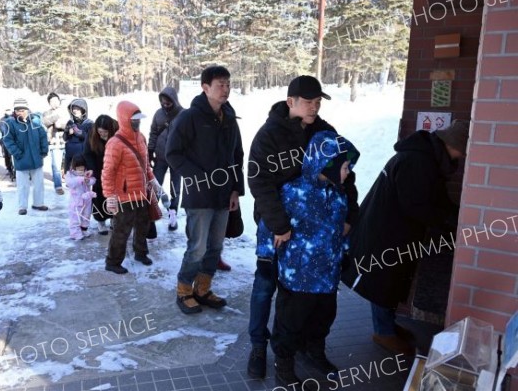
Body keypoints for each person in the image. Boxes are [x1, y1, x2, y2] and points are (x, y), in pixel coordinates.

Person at [246, 75, 359, 379]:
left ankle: (311, 349)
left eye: (318, 101)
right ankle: (259, 347)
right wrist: (279, 226)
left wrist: (350, 217)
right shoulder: (270, 135)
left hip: (320, 234)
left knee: (314, 301)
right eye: (308, 101)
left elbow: (347, 177)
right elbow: (260, 182)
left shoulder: (324, 131)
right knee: (267, 287)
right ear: (290, 102)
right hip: (280, 228)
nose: (314, 106)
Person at [342, 119, 470, 356]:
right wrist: (449, 222)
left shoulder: (426, 158)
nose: (461, 158)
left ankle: (387, 325)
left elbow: (434, 198)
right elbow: (416, 205)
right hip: (385, 231)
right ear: (455, 144)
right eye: (463, 151)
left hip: (392, 229)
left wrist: (456, 217)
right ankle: (383, 331)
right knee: (382, 281)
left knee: (390, 280)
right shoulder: (418, 161)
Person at [165, 65, 245, 314]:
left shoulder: (229, 117)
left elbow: (237, 155)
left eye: (228, 84)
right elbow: (172, 153)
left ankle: (203, 288)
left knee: (215, 246)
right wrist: (198, 178)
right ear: (205, 87)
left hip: (223, 195)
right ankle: (184, 290)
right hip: (199, 196)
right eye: (220, 84)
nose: (225, 89)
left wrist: (236, 190)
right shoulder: (189, 117)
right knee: (197, 247)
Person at [103, 101, 160, 274]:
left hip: (142, 192)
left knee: (144, 224)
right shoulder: (115, 143)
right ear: (124, 119)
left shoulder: (141, 137)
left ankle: (140, 253)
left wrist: (152, 181)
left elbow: (146, 165)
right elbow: (108, 171)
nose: (137, 122)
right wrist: (110, 196)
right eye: (133, 119)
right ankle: (112, 262)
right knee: (121, 230)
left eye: (138, 119)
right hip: (124, 196)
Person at [2, 98, 49, 215]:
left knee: (39, 183)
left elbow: (43, 136)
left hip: (36, 159)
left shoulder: (35, 122)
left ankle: (38, 203)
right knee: (23, 186)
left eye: (22, 110)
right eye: (17, 110)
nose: (20, 112)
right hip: (21, 160)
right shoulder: (10, 123)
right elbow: (8, 141)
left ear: (28, 110)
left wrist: (43, 151)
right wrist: (17, 153)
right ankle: (22, 206)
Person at [148, 86, 184, 236]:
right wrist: (150, 151)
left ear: (174, 100)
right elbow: (153, 133)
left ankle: (173, 214)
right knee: (155, 185)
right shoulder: (158, 114)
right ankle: (152, 213)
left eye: (168, 102)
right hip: (161, 156)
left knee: (175, 187)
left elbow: (189, 136)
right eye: (163, 102)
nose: (165, 105)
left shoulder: (183, 114)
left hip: (177, 158)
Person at [84, 114, 118, 235]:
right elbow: (87, 153)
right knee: (99, 195)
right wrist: (92, 169)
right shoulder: (92, 134)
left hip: (114, 167)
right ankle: (101, 221)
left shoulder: (118, 129)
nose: (103, 135)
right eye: (100, 132)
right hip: (98, 166)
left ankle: (114, 217)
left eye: (105, 132)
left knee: (114, 194)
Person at [65, 154, 96, 240]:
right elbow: (70, 183)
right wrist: (81, 179)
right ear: (74, 166)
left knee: (86, 215)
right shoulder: (70, 174)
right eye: (79, 169)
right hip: (76, 200)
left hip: (86, 199)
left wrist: (89, 181)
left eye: (82, 168)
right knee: (75, 216)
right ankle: (75, 233)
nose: (81, 170)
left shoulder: (86, 173)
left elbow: (93, 180)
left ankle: (83, 229)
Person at [42, 92, 67, 195]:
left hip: (66, 140)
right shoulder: (46, 113)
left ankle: (68, 180)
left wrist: (61, 125)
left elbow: (70, 124)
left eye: (56, 100)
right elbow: (45, 121)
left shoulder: (66, 111)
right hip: (54, 142)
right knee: (55, 165)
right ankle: (58, 185)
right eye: (52, 101)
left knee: (68, 164)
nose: (54, 102)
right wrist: (56, 116)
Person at [63, 98, 93, 175]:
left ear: (83, 110)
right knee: (71, 182)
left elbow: (91, 139)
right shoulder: (70, 123)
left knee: (83, 181)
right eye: (73, 108)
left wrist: (78, 132)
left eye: (77, 108)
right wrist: (68, 133)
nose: (75, 110)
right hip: (70, 157)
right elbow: (64, 138)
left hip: (83, 157)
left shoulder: (89, 123)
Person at [0, 109, 16, 182]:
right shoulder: (2, 119)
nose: (8, 112)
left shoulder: (15, 118)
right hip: (6, 139)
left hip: (15, 140)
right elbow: (2, 129)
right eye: (6, 110)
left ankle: (17, 169)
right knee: (7, 155)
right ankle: (9, 168)